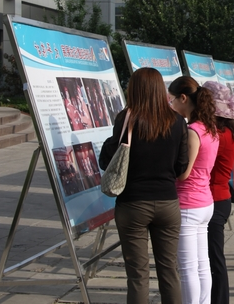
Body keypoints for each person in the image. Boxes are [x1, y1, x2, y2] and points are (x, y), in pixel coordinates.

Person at [99, 67, 189, 304]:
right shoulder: (177, 121)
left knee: (138, 275)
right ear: (160, 90)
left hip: (133, 204)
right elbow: (181, 167)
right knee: (169, 270)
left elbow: (108, 160)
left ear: (134, 90)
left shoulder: (126, 119)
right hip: (168, 203)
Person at [168, 76, 219, 304]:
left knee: (188, 268)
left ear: (183, 98)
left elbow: (183, 173)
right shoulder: (210, 128)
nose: (171, 105)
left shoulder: (192, 131)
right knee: (202, 264)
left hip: (189, 203)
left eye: (172, 100)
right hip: (204, 201)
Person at [203, 81, 234, 304]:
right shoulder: (227, 131)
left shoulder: (216, 134)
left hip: (214, 199)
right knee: (212, 257)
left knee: (214, 259)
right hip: (220, 197)